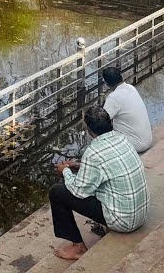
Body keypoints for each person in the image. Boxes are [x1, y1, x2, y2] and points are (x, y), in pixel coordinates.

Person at [49, 107, 150, 261]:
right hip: (141, 215)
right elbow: (107, 165)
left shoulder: (93, 152)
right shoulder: (122, 138)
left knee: (57, 192)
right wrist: (78, 165)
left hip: (123, 222)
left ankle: (78, 247)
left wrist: (65, 171)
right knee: (95, 183)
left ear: (89, 130)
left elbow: (78, 190)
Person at [101, 66, 153, 153]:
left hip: (135, 144)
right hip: (147, 140)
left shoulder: (114, 97)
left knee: (99, 128)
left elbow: (101, 121)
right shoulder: (131, 88)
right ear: (121, 77)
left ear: (107, 84)